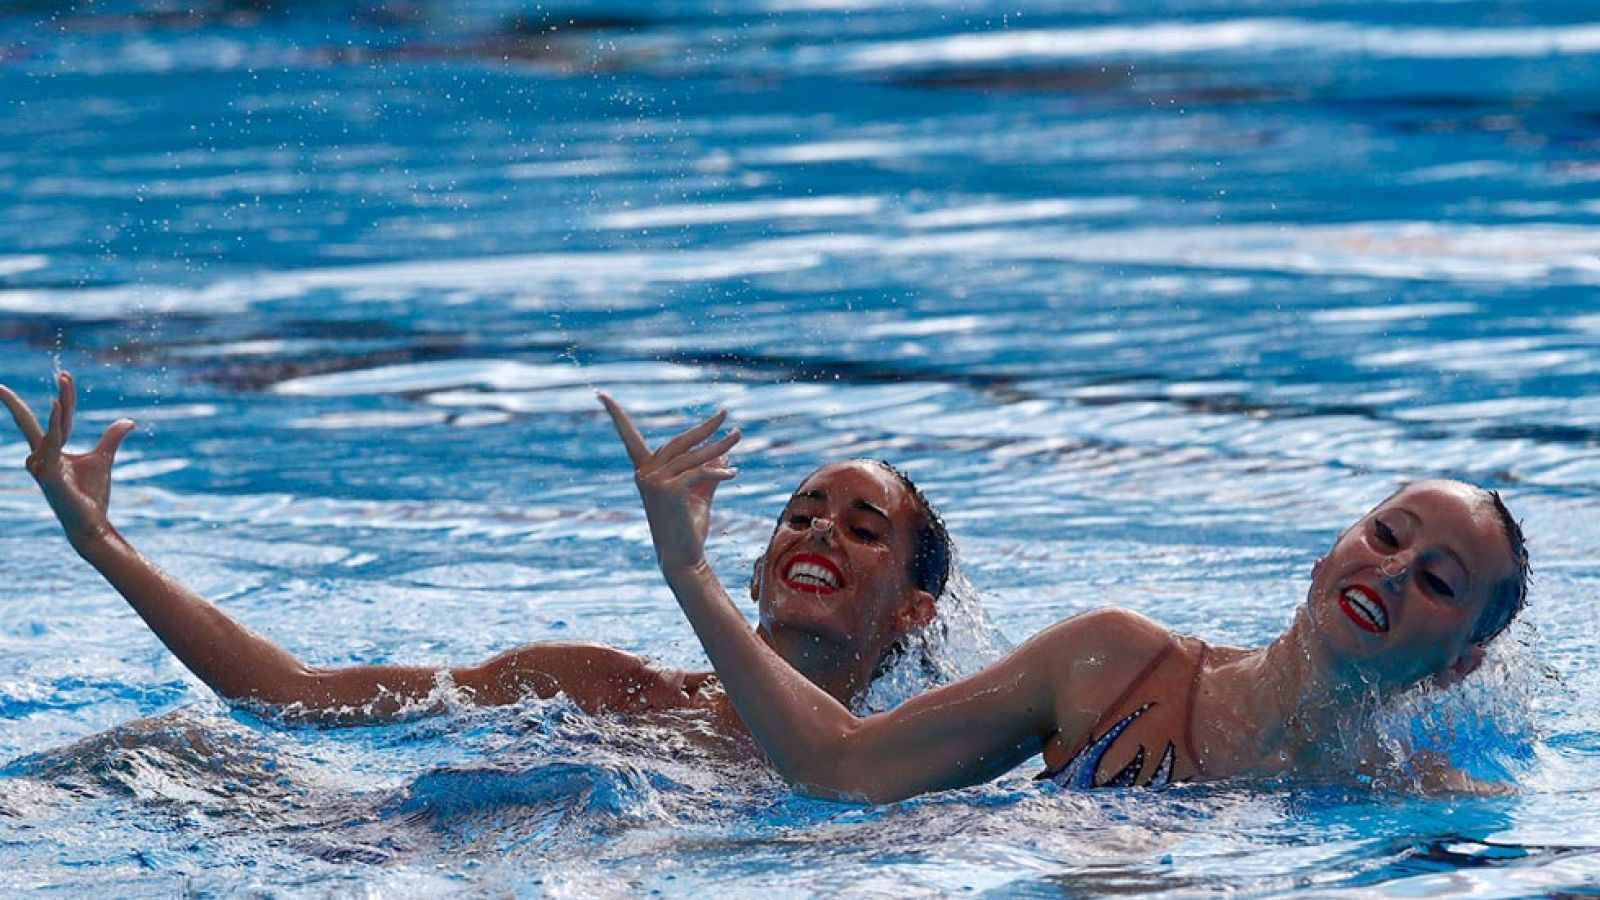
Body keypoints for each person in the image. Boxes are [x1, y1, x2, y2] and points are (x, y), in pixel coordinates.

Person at [601, 394, 1531, 801]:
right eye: (1386, 536)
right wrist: (691, 574)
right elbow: (843, 770)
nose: (1395, 572)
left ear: (1462, 662)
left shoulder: (1422, 805)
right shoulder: (1114, 663)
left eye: (1441, 580)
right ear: (1329, 552)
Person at [0, 371, 958, 731]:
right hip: (365, 849)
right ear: (754, 572)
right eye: (797, 515)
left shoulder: (904, 763)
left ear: (916, 611)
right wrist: (101, 544)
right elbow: (295, 696)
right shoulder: (598, 688)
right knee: (150, 747)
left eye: (865, 530)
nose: (819, 529)